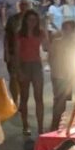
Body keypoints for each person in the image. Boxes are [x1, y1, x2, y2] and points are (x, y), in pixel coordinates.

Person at [15, 8, 48, 139]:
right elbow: (17, 53)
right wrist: (18, 70)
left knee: (38, 97)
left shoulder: (40, 33)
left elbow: (46, 47)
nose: (32, 22)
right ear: (25, 21)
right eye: (30, 20)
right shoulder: (20, 34)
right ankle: (25, 125)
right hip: (24, 65)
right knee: (24, 97)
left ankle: (40, 126)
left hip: (36, 65)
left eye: (34, 20)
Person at [49, 18, 75, 131]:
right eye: (66, 29)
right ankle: (55, 124)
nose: (68, 32)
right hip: (59, 75)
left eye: (70, 30)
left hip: (69, 76)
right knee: (59, 100)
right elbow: (51, 58)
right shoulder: (57, 42)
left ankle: (58, 124)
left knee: (63, 101)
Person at [3, 0, 31, 106]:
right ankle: (15, 101)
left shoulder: (32, 21)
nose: (23, 7)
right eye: (22, 5)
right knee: (13, 78)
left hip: (27, 55)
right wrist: (6, 53)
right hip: (13, 53)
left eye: (26, 5)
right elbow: (7, 36)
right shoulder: (13, 20)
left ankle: (23, 102)